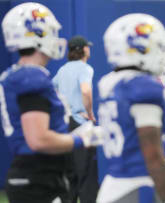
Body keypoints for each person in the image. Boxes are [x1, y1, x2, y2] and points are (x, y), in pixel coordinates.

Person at [0, 2, 102, 203]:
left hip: (34, 175)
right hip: (38, 180)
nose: (54, 39)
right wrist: (81, 139)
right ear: (36, 36)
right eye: (49, 33)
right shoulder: (32, 78)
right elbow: (38, 140)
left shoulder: (18, 74)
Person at [96, 13, 165, 203]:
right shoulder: (143, 87)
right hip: (138, 187)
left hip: (112, 184)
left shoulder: (110, 83)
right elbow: (152, 155)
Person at [52, 35, 98, 203]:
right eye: (88, 47)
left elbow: (52, 89)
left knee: (69, 175)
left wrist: (64, 110)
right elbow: (85, 91)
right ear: (84, 49)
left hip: (65, 125)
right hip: (81, 124)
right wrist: (90, 113)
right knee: (87, 176)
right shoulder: (85, 68)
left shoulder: (62, 70)